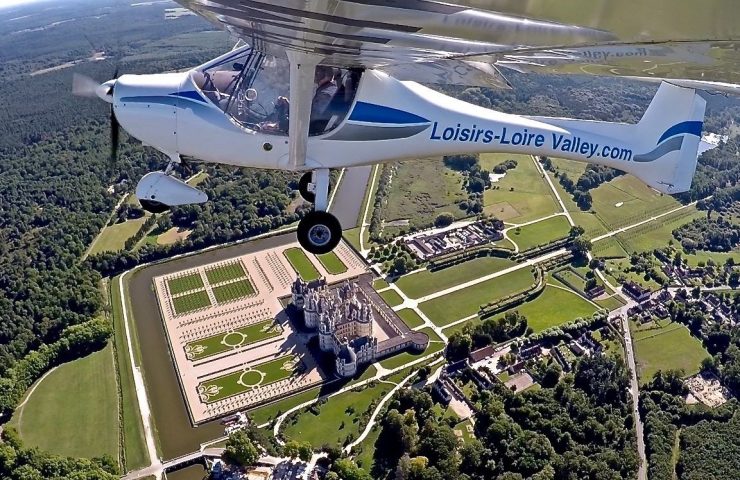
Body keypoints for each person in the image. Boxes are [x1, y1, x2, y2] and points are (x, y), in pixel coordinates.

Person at [259, 65, 339, 135]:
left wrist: (278, 126)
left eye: (315, 71)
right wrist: (289, 107)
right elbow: (308, 116)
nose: (312, 75)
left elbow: (311, 122)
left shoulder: (326, 94)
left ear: (319, 74)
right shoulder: (327, 90)